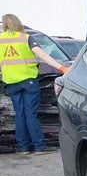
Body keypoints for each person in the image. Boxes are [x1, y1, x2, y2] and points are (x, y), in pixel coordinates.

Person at [0, 13, 69, 155]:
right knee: (30, 114)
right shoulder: (26, 38)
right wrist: (61, 68)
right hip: (28, 82)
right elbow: (42, 55)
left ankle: (23, 148)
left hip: (11, 83)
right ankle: (39, 147)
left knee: (19, 115)